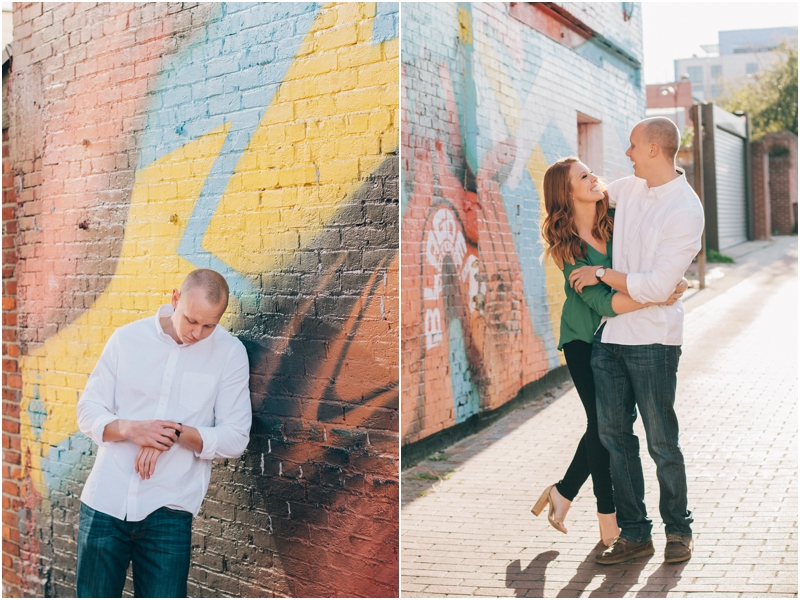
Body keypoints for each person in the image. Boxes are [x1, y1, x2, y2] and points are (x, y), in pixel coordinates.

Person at [568, 117, 704, 565]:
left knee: (661, 440)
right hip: (610, 340)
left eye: (630, 146)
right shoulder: (626, 189)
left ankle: (678, 531)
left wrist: (603, 274)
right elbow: (575, 196)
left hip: (655, 343)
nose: (624, 154)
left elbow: (658, 285)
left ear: (652, 149)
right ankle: (634, 533)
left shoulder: (685, 209)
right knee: (613, 437)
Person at [534, 156, 687, 547]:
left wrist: (663, 281)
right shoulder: (566, 248)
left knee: (608, 426)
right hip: (584, 339)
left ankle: (563, 493)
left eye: (590, 172)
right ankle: (607, 520)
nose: (594, 178)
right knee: (602, 426)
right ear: (566, 195)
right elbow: (603, 303)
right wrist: (656, 295)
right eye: (582, 177)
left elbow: (648, 262)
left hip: (621, 336)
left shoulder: (615, 221)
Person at [75, 269, 252, 597]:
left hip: (168, 512)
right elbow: (87, 411)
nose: (197, 333)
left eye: (209, 325)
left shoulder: (229, 354)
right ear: (175, 299)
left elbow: (236, 436)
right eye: (190, 320)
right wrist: (131, 428)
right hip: (105, 503)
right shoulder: (127, 339)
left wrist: (173, 432)